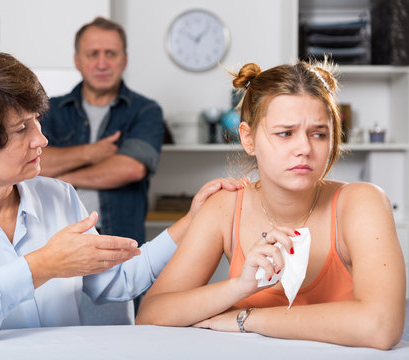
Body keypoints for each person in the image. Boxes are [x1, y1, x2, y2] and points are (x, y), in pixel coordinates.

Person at [0, 47, 244, 344]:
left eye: (36, 120)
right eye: (21, 129)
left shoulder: (57, 196)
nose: (40, 139)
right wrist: (42, 266)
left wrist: (190, 222)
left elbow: (118, 280)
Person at [135, 60, 407, 350]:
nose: (304, 148)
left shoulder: (362, 203)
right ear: (248, 139)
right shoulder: (226, 207)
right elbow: (151, 315)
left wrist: (247, 319)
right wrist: (238, 287)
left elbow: (380, 326)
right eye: (285, 133)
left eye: (319, 133)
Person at [39, 17, 164, 246]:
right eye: (92, 54)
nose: (102, 64)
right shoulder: (49, 110)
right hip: (55, 237)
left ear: (124, 60)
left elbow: (132, 168)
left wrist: (66, 178)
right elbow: (33, 163)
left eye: (111, 54)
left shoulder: (146, 110)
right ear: (77, 61)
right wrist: (91, 153)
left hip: (118, 239)